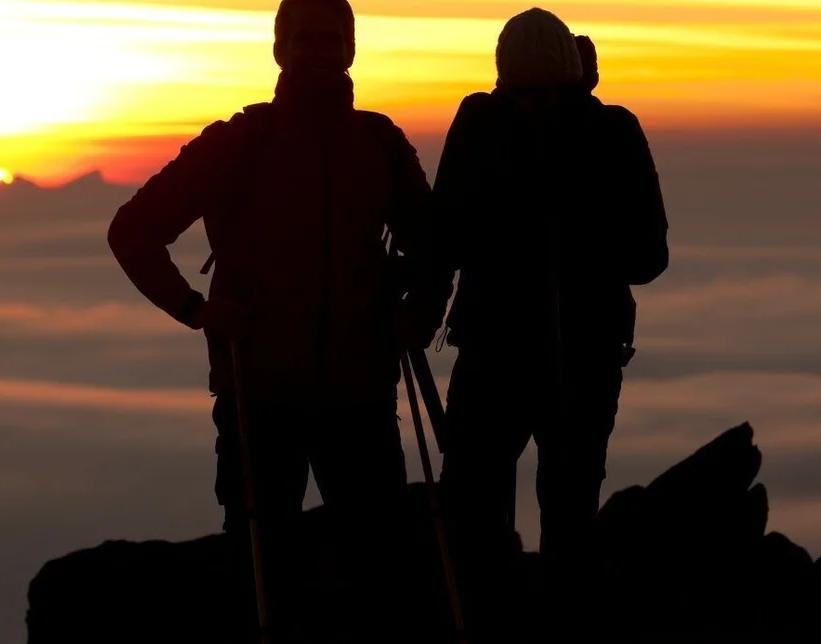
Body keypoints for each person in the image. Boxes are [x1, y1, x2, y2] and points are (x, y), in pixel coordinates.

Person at [105, 0, 452, 641]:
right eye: (306, 39)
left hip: (357, 394)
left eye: (330, 39)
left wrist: (419, 310)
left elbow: (434, 251)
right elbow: (132, 231)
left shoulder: (378, 142)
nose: (319, 51)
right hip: (260, 397)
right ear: (279, 48)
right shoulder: (240, 142)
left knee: (366, 570)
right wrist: (196, 310)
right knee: (268, 572)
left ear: (349, 49)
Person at [421, 8, 669, 643]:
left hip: (569, 358)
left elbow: (650, 255)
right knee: (481, 510)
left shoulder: (607, 133)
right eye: (520, 93)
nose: (532, 106)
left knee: (564, 512)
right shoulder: (488, 123)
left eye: (544, 93)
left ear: (569, 80)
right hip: (516, 355)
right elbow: (444, 233)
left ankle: (553, 630)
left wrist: (571, 233)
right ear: (503, 83)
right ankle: (499, 626)